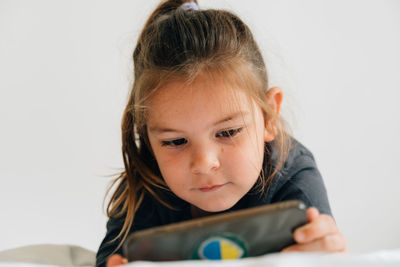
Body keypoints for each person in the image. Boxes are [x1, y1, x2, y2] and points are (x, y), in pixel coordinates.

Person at [96, 1, 347, 266]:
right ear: (147, 137)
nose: (204, 163)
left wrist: (326, 254)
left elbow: (320, 253)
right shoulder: (144, 185)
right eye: (175, 141)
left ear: (269, 117)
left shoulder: (292, 174)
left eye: (227, 132)